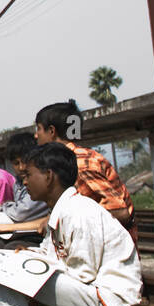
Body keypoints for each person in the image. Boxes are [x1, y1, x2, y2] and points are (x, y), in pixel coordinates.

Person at [0, 142, 142, 306]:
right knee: (12, 262)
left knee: (10, 271)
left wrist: (30, 268)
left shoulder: (79, 212)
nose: (24, 182)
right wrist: (31, 257)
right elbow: (54, 255)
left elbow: (82, 273)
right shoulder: (63, 209)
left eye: (29, 175)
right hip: (90, 292)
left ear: (48, 176)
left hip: (104, 299)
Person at [34, 100, 136, 244]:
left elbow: (120, 212)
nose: (36, 135)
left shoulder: (81, 162)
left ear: (51, 131)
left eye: (38, 128)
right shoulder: (67, 161)